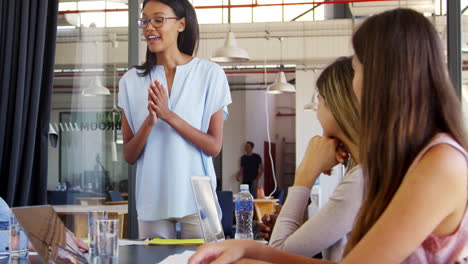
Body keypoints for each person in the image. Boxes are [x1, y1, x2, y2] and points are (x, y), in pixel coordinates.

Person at [189, 8, 467, 264]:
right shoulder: (409, 160)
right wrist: (250, 249)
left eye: (356, 70)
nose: (353, 83)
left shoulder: (440, 163)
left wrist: (257, 252)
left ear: (381, 77)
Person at [118, 0, 231, 239]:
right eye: (145, 21)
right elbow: (129, 155)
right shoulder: (130, 81)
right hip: (152, 200)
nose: (149, 27)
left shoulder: (210, 74)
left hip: (199, 199)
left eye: (158, 20)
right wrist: (150, 122)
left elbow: (213, 146)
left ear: (181, 24)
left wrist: (168, 116)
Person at [260, 57, 362, 262]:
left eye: (321, 100)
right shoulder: (360, 173)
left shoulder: (361, 180)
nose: (317, 109)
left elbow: (278, 255)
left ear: (338, 105)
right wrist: (294, 225)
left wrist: (305, 173)